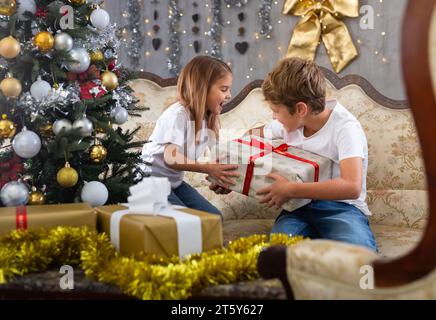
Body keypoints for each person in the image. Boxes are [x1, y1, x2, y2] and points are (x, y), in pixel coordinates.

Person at [242, 57, 377, 251]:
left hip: (342, 209)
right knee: (277, 254)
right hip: (297, 209)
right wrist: (231, 172)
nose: (274, 117)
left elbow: (352, 186)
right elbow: (250, 136)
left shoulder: (345, 128)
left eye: (276, 111)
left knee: (359, 254)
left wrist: (290, 190)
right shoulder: (290, 124)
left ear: (300, 109)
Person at [141, 55, 239, 216]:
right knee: (186, 223)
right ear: (203, 88)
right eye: (223, 89)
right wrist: (207, 168)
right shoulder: (177, 115)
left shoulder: (209, 119)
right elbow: (171, 157)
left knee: (214, 219)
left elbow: (216, 160)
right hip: (148, 181)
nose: (229, 95)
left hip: (173, 183)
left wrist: (221, 180)